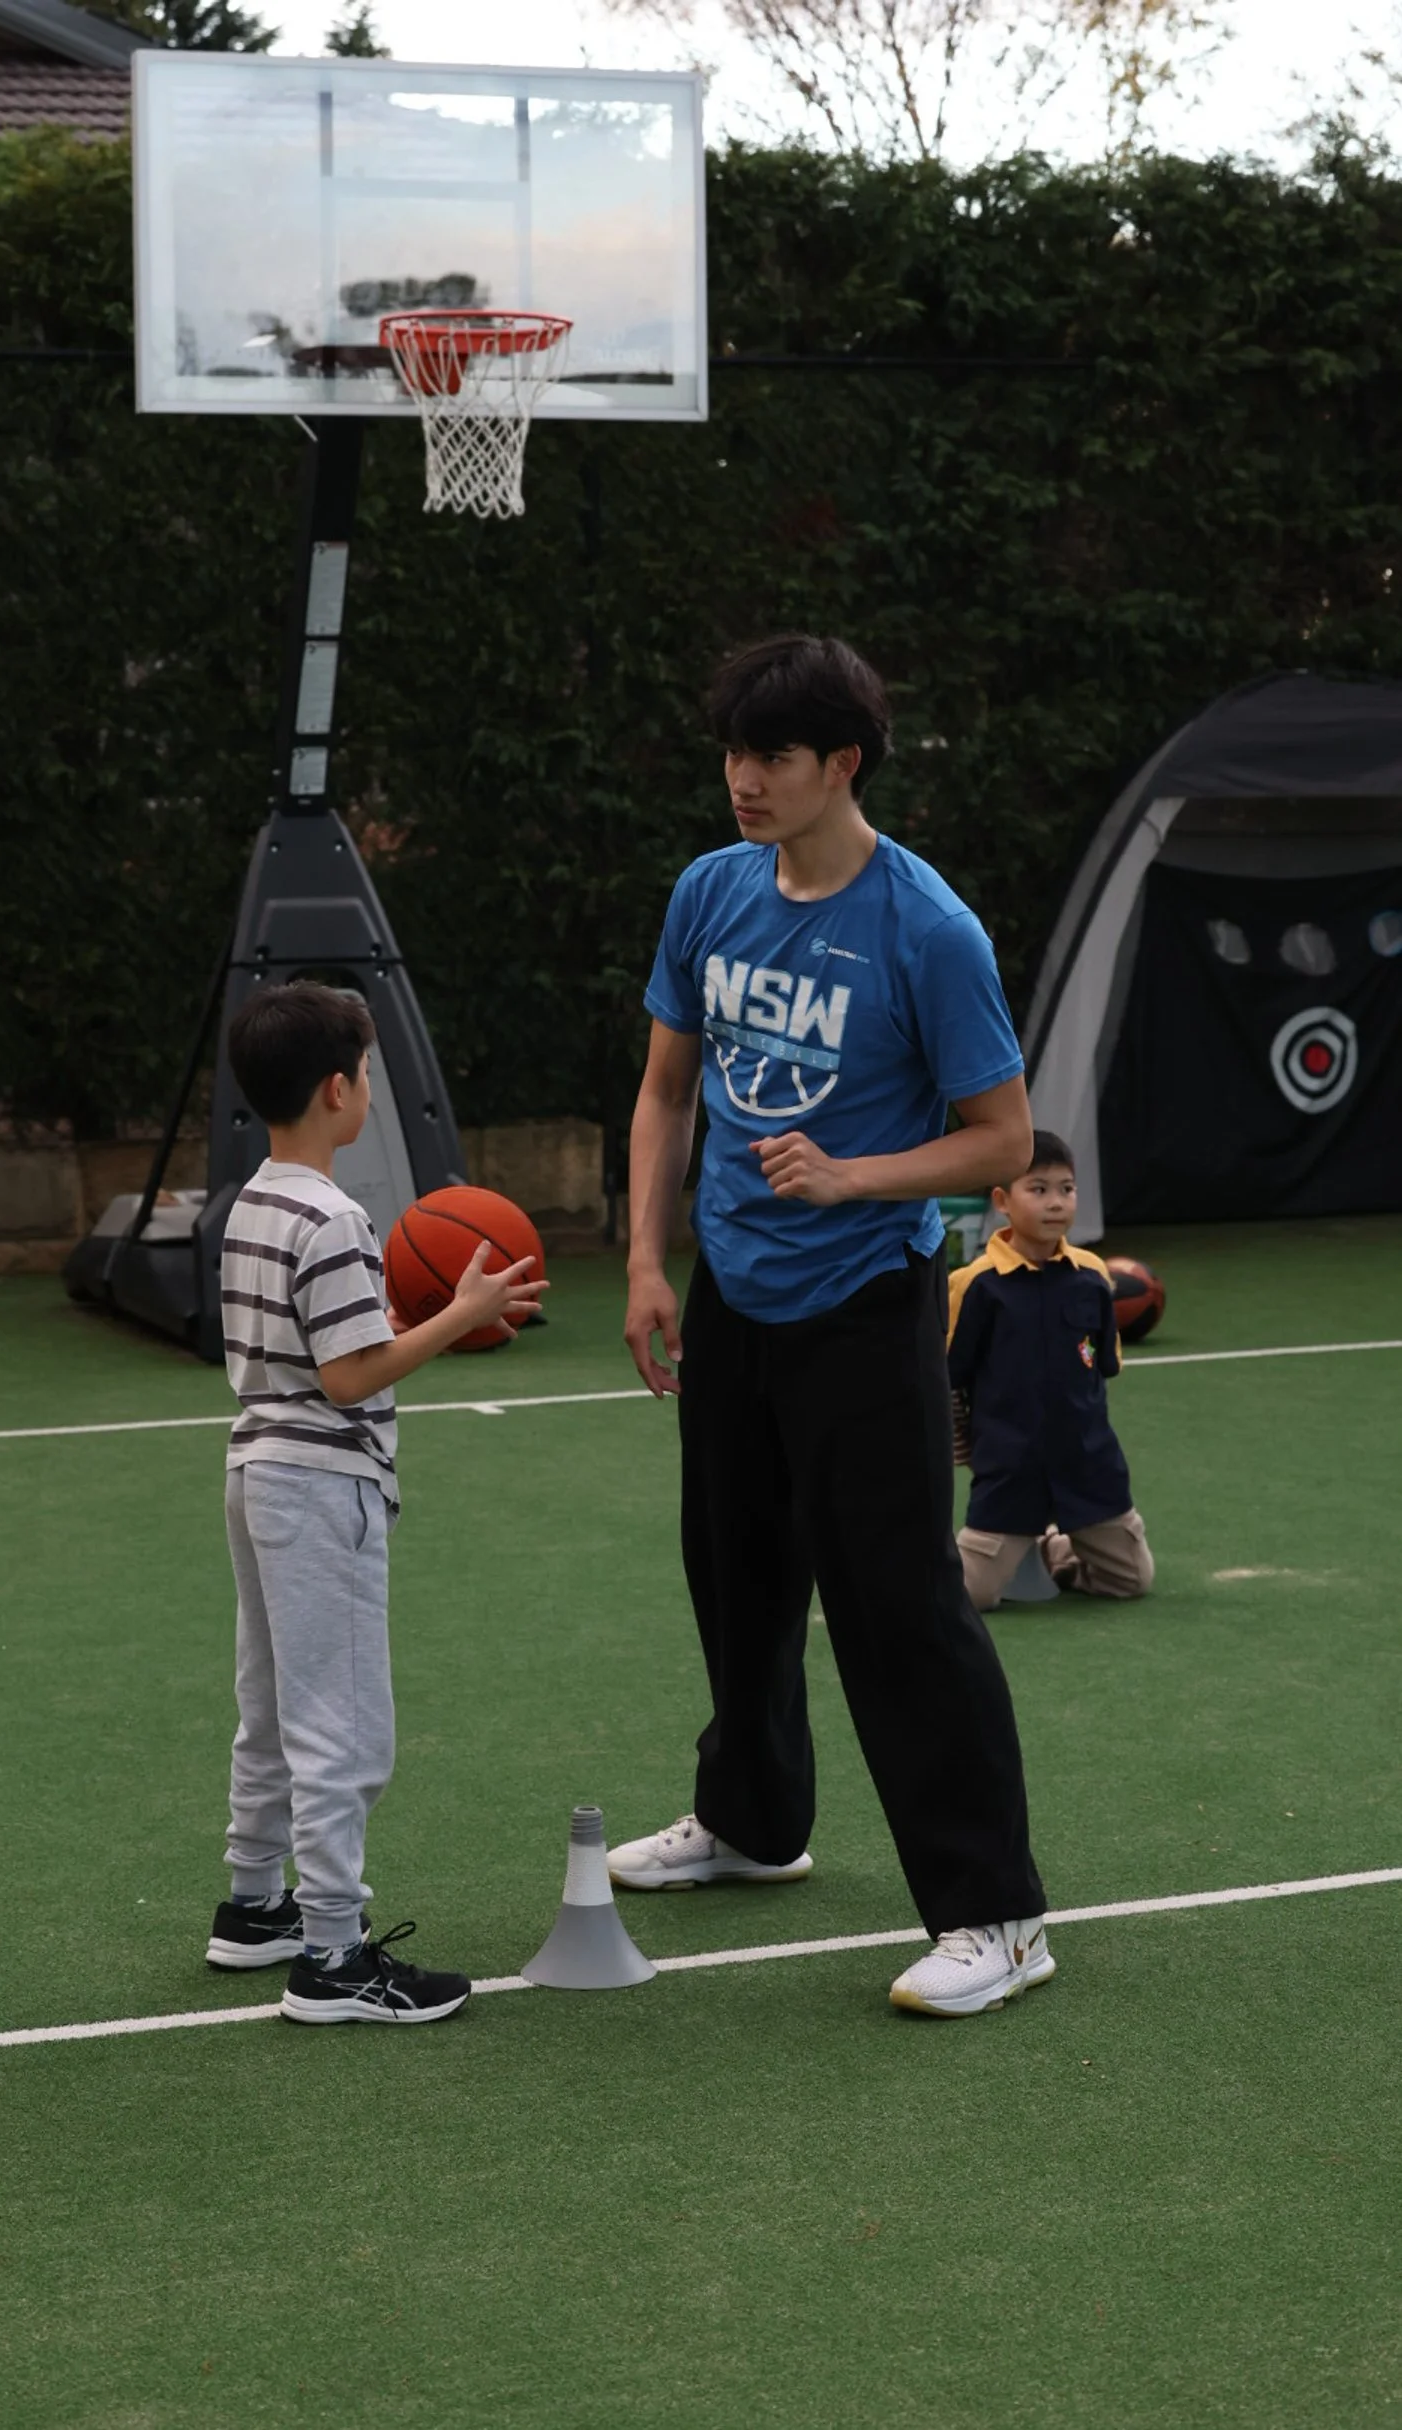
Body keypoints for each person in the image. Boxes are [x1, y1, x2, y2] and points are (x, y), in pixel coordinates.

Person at [614, 633, 1056, 2020]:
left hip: (866, 1301)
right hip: (734, 1291)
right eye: (734, 754)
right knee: (735, 1574)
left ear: (841, 765)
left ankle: (996, 1912)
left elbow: (1005, 1139)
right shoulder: (711, 892)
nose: (744, 781)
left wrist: (855, 1172)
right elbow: (665, 1090)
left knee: (898, 1601)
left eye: (775, 760)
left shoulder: (927, 927)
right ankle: (753, 1822)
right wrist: (642, 1258)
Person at [204, 979, 545, 2025]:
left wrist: (399, 1311)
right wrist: (466, 1311)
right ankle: (335, 1957)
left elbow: (317, 1345)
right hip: (320, 1480)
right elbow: (350, 1379)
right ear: (338, 1090)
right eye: (368, 1078)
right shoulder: (338, 1216)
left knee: (268, 1709)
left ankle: (253, 1904)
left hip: (256, 1466)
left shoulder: (253, 1201)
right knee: (343, 1729)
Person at [949, 1130, 1155, 1611]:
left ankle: (1053, 1546)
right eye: (1038, 1189)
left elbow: (1103, 1366)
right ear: (1002, 1200)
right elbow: (949, 1378)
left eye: (1067, 1188)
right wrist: (968, 1447)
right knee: (968, 1595)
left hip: (1089, 1468)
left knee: (1131, 1580)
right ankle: (1008, 1544)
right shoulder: (973, 1284)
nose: (1056, 1202)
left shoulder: (1093, 1276)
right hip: (1009, 1471)